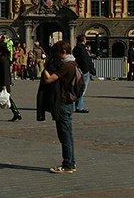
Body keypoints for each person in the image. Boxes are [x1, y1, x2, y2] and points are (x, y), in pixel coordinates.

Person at [38, 40, 77, 174]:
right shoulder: (72, 64)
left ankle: (68, 165)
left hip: (63, 103)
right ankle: (71, 162)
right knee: (68, 135)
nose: (56, 56)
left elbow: (49, 79)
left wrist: (45, 71)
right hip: (67, 103)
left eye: (57, 54)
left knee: (65, 136)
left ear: (64, 52)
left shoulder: (67, 66)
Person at [72, 35, 95, 113]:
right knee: (81, 89)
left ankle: (77, 105)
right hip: (83, 71)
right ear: (84, 40)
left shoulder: (75, 48)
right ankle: (79, 106)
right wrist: (88, 69)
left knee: (78, 87)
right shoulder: (82, 49)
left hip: (78, 70)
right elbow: (85, 60)